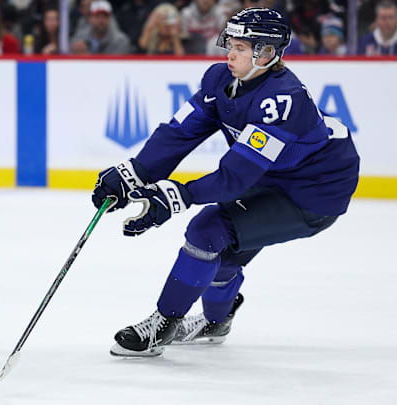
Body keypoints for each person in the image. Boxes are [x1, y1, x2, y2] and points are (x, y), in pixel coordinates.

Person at [91, 8, 359, 358]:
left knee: (207, 230)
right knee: (222, 253)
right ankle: (216, 322)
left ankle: (164, 321)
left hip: (314, 192)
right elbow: (179, 132)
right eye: (230, 43)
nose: (230, 53)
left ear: (266, 53)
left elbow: (234, 177)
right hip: (271, 174)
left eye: (242, 47)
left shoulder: (282, 99)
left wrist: (177, 196)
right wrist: (135, 171)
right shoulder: (219, 79)